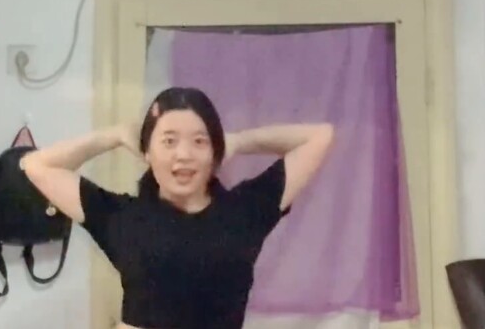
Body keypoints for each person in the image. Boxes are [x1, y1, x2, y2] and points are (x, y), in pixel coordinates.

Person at [20, 87, 334, 329]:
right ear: (147, 152)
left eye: (199, 141)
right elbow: (36, 165)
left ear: (215, 153)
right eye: (169, 141)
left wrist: (239, 141)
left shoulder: (246, 211)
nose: (183, 154)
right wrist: (114, 135)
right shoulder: (120, 217)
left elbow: (319, 137)